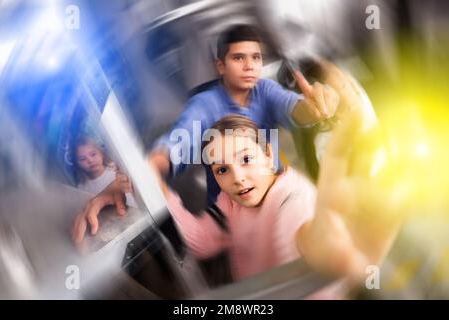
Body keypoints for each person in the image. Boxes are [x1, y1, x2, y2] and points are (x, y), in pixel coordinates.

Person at [72, 114, 403, 286]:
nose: (238, 178)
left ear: (268, 153)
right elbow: (203, 241)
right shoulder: (237, 201)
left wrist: (346, 251)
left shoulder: (292, 202)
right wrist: (150, 187)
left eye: (246, 160)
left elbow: (322, 247)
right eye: (222, 169)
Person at [148, 24, 340, 204]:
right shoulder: (205, 105)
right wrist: (153, 167)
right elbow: (178, 141)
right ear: (220, 66)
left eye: (256, 57)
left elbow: (292, 107)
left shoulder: (265, 90)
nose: (249, 66)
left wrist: (314, 108)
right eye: (239, 58)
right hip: (234, 207)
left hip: (276, 198)